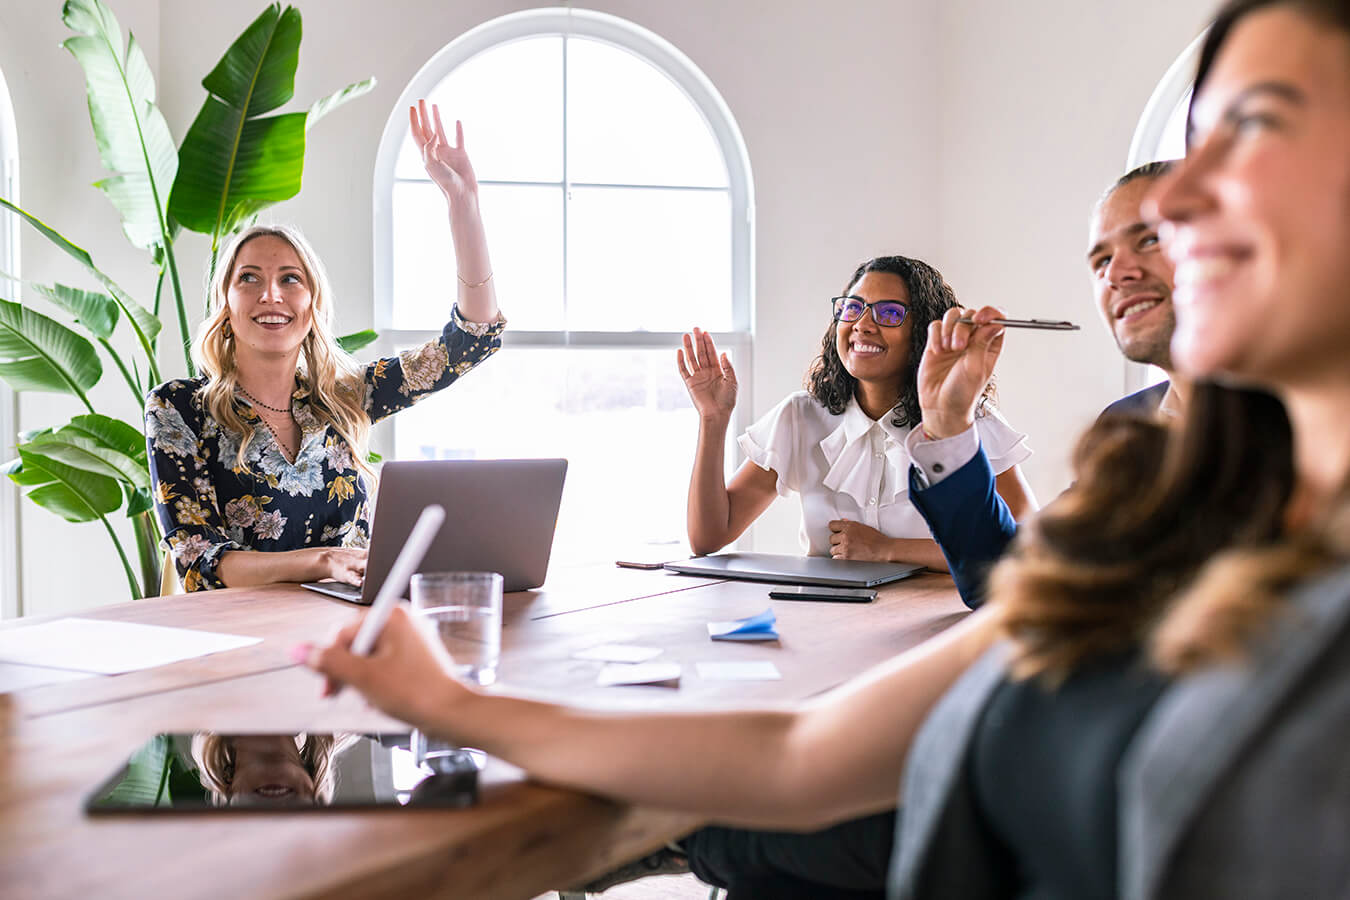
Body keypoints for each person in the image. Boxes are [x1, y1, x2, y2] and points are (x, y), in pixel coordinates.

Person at [299, 2, 1350, 897]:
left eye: (1252, 126)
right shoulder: (1152, 473)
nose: (1167, 203)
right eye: (1105, 248)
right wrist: (457, 707)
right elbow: (816, 739)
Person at [146, 101, 504, 592]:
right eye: (249, 278)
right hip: (241, 642)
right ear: (224, 305)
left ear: (312, 305)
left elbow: (470, 341)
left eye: (290, 279)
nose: (271, 294)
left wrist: (463, 203)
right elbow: (200, 560)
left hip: (353, 630)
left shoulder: (348, 395)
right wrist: (324, 561)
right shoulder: (180, 408)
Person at [911, 160, 1190, 608]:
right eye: (1101, 260)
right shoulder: (1125, 425)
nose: (1116, 274)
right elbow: (1005, 580)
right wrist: (947, 423)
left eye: (1151, 239)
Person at [680, 255, 1036, 571]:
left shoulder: (965, 423)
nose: (863, 324)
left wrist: (889, 550)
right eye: (852, 308)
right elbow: (709, 538)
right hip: (828, 621)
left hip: (932, 617)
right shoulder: (800, 416)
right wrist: (714, 419)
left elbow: (1024, 549)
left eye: (890, 313)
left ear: (924, 332)